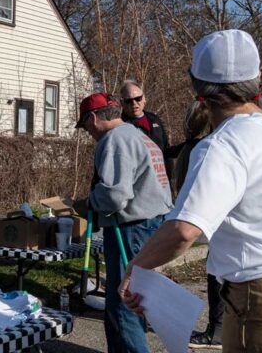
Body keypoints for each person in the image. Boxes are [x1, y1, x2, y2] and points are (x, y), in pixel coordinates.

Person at [120, 30, 262, 353]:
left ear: (198, 89)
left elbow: (184, 229)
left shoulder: (220, 146)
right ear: (256, 79)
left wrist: (136, 267)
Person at [75, 92, 173, 353]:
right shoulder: (139, 136)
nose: (87, 132)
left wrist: (88, 203)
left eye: (85, 126)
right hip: (151, 224)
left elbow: (115, 195)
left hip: (132, 229)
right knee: (136, 301)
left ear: (94, 118)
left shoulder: (114, 140)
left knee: (124, 302)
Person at [170, 101, 225, 349]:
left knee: (219, 279)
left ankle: (219, 329)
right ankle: (218, 329)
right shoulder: (206, 150)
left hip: (217, 231)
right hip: (218, 230)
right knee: (218, 279)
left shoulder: (197, 151)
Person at [119, 80, 172, 179]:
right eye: (128, 101)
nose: (134, 103)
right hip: (139, 182)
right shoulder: (120, 126)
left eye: (138, 99)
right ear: (122, 103)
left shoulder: (154, 119)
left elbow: (165, 150)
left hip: (162, 180)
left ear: (144, 99)